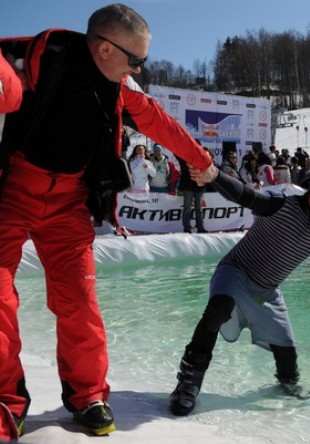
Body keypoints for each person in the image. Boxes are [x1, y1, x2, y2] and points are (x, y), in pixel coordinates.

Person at [0, 4, 214, 439]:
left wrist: (203, 162)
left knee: (79, 301)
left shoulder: (121, 86)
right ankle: (6, 400)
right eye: (136, 59)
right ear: (103, 48)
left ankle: (87, 395)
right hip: (11, 194)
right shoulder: (38, 58)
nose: (139, 68)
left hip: (70, 204)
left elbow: (161, 122)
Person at [168, 168, 310, 416]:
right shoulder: (279, 206)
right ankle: (187, 385)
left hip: (266, 292)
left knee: (287, 351)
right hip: (235, 272)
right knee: (218, 309)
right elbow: (244, 195)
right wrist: (214, 177)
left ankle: (288, 385)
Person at [177, 153, 208, 233]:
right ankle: (187, 227)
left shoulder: (202, 159)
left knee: (199, 208)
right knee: (187, 208)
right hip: (188, 186)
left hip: (199, 186)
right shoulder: (184, 158)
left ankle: (200, 227)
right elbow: (176, 153)